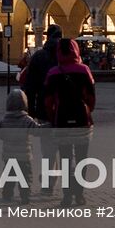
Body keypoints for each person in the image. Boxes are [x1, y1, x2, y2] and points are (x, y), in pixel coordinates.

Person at [43, 37, 96, 206]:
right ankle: (79, 195)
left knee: (65, 159)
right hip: (82, 121)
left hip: (62, 121)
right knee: (81, 159)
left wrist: (53, 117)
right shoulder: (84, 70)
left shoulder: (53, 73)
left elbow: (48, 101)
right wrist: (87, 110)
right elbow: (91, 97)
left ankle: (66, 196)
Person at [0, 89, 41, 203]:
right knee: (25, 177)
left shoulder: (4, 120)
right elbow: (36, 131)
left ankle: (7, 194)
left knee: (8, 176)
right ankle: (25, 196)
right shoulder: (26, 120)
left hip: (9, 154)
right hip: (24, 155)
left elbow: (0, 134)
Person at [21, 25, 62, 123]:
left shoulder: (38, 56)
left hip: (44, 108)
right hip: (67, 110)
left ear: (47, 36)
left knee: (46, 136)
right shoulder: (69, 57)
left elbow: (30, 87)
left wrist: (31, 112)